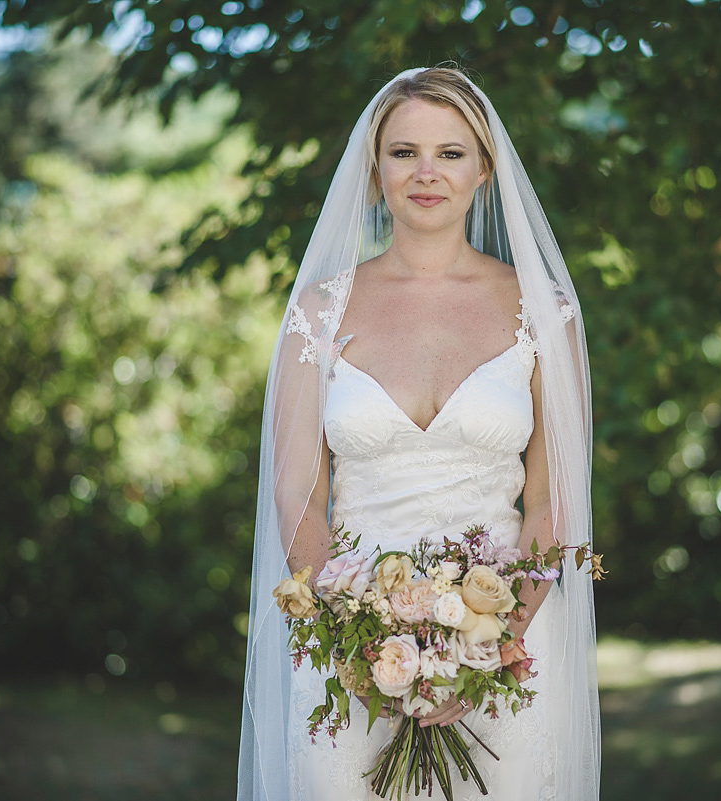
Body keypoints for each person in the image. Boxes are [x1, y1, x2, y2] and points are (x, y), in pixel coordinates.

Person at [238, 67, 599, 801]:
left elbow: (551, 500)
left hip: (513, 654)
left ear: (485, 169)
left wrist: (491, 646)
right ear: (375, 170)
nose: (426, 173)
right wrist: (361, 641)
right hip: (349, 653)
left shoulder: (544, 312)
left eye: (451, 153)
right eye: (404, 153)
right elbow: (298, 494)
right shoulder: (320, 311)